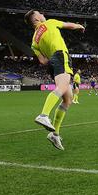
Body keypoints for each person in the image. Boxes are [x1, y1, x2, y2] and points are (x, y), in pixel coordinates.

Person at [27, 10, 85, 151]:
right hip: (60, 55)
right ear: (36, 19)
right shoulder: (50, 23)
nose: (42, 14)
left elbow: (42, 60)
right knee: (62, 87)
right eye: (39, 13)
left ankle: (55, 134)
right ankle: (43, 115)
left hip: (52, 62)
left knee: (68, 99)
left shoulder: (34, 41)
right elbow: (68, 25)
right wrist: (79, 26)